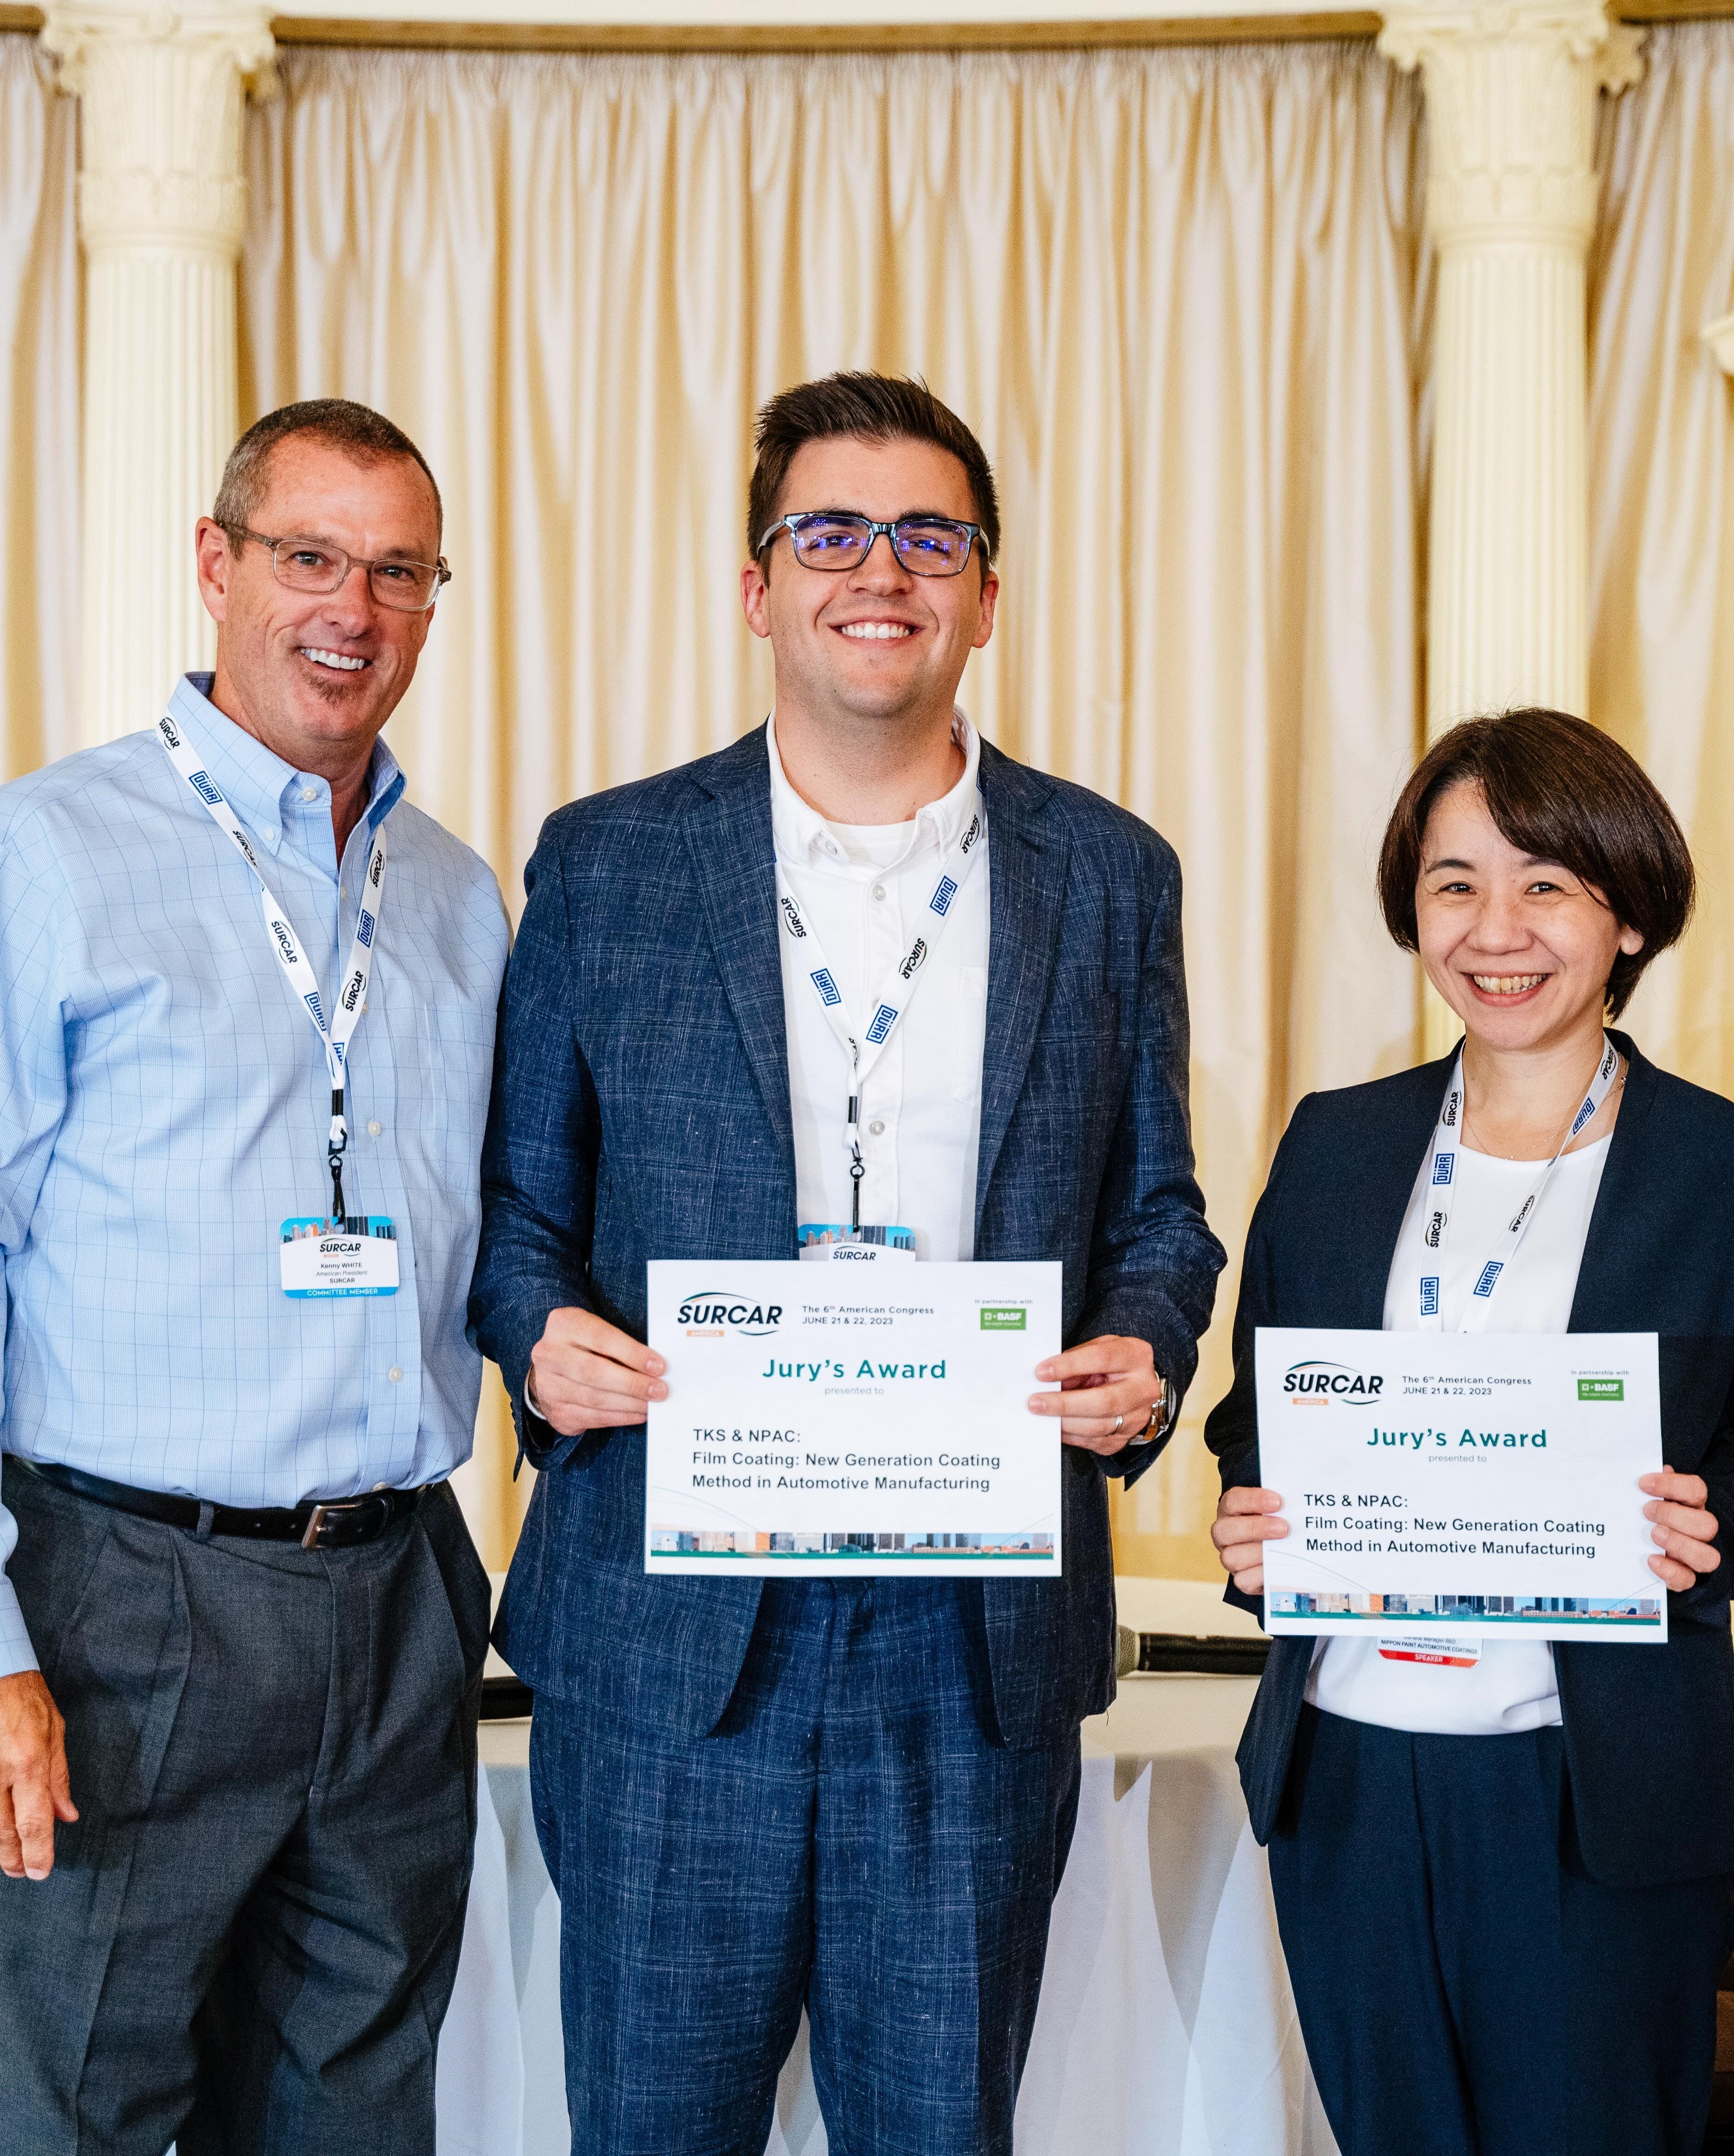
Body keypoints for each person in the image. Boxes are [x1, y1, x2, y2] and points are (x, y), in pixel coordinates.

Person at [468, 370, 1225, 2156]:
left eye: (928, 538)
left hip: (968, 1643)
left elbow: (1161, 1217)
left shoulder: (1110, 875)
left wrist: (1143, 1350)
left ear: (985, 593)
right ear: (757, 587)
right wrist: (541, 1336)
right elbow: (515, 1219)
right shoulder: (607, 863)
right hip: (670, 1631)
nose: (879, 571)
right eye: (830, 533)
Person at [0, 400, 504, 2150]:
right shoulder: (37, 860)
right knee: (68, 2120)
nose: (351, 609)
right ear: (217, 565)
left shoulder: (457, 897)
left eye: (399, 572)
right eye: (309, 558)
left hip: (397, 1598)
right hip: (120, 1609)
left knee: (359, 2117)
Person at [1205, 708, 1734, 2156]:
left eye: (1547, 883)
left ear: (1628, 913)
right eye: (1456, 883)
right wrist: (1251, 1516)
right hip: (1352, 1771)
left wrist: (1714, 1524)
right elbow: (1257, 1416)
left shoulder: (1730, 1172)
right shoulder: (1337, 1144)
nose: (1498, 930)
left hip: (1595, 1785)